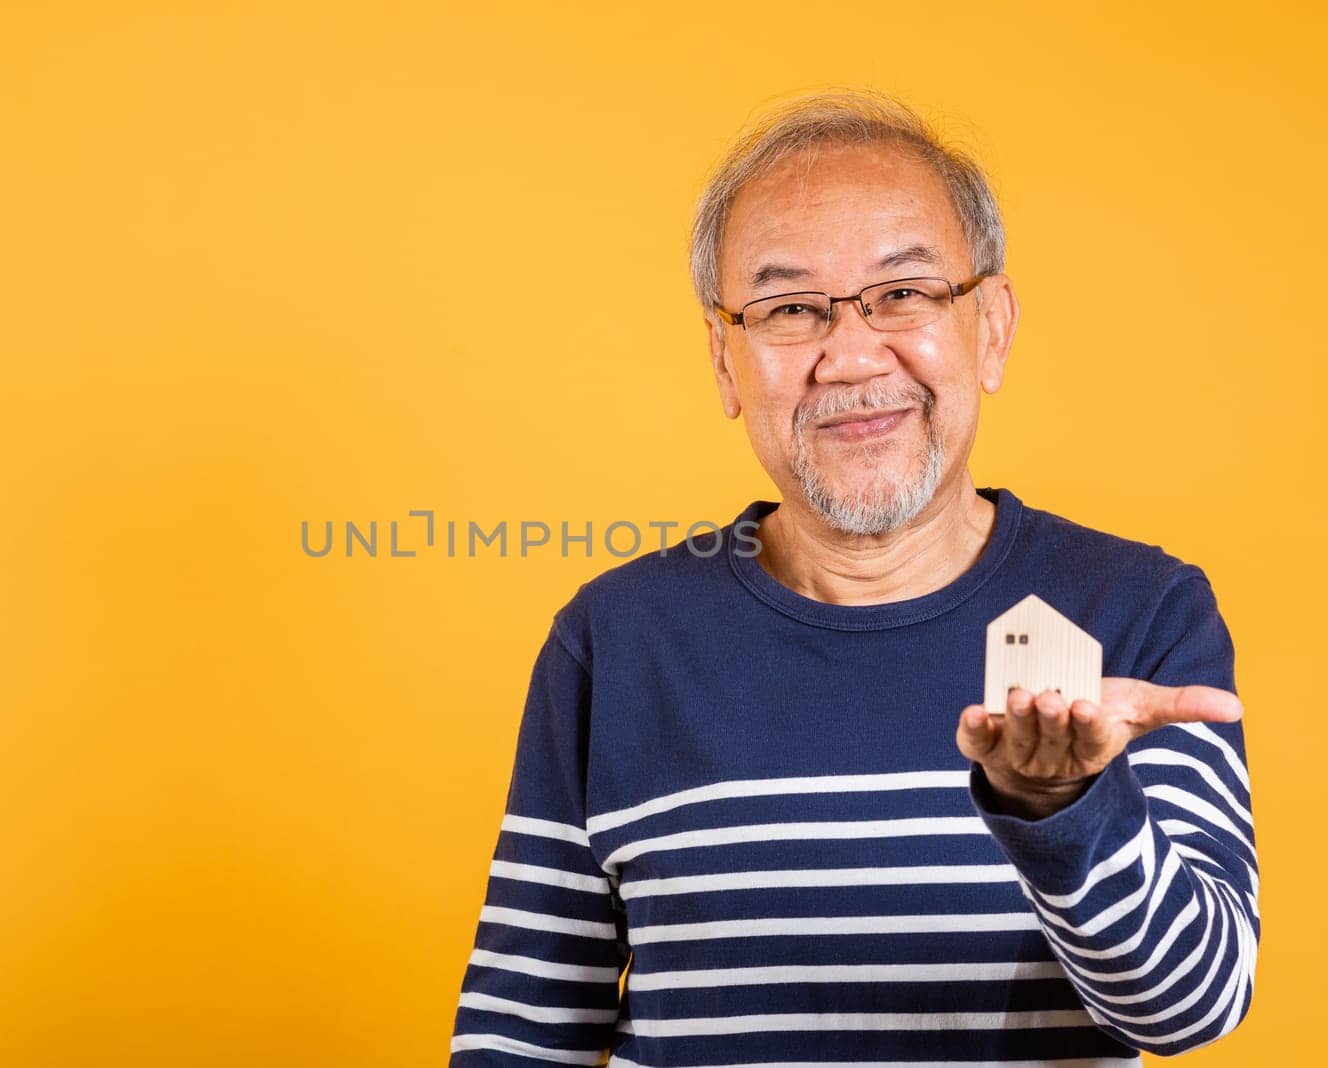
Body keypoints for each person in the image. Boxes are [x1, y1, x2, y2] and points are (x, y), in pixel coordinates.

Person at [448, 90, 1258, 1067]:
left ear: (990, 330)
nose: (850, 354)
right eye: (789, 309)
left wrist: (1065, 810)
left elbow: (1192, 1010)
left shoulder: (1138, 612)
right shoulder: (614, 642)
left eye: (903, 294)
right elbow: (519, 1033)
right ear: (723, 362)